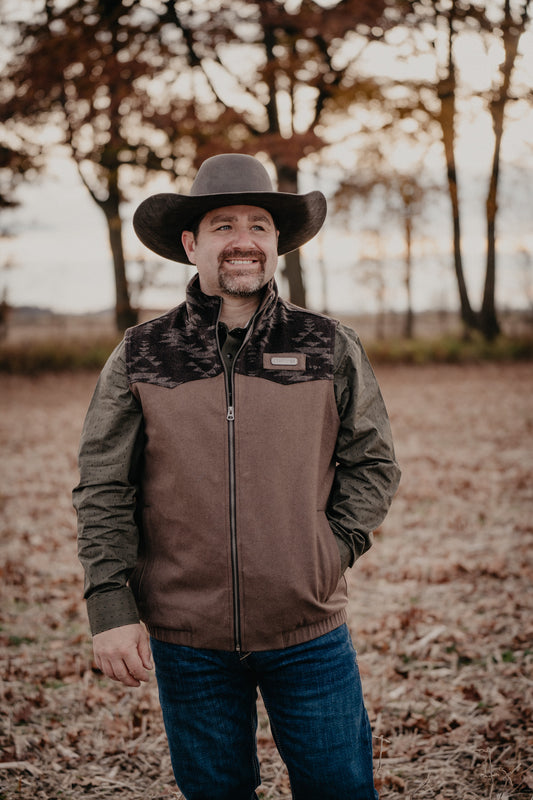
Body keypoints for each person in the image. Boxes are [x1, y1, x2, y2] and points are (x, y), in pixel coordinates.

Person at [73, 152, 401, 800]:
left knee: (340, 789)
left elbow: (373, 463)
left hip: (307, 632)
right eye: (223, 225)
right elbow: (104, 484)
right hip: (186, 641)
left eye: (258, 224)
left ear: (276, 243)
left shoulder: (325, 344)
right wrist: (110, 604)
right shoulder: (143, 353)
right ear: (191, 244)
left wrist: (326, 554)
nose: (243, 240)